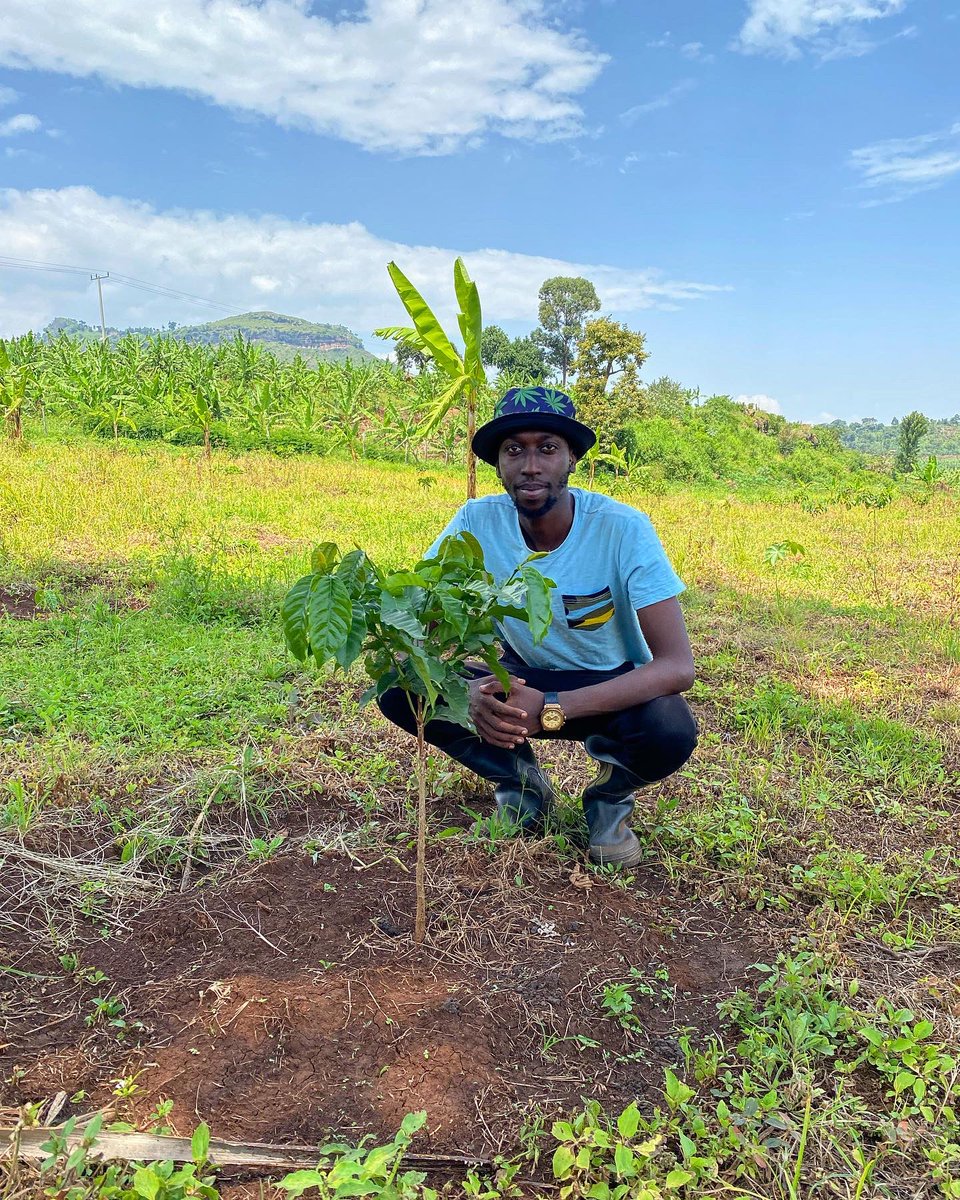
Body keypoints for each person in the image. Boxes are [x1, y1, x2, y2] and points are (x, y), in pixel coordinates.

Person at [378, 386, 697, 868]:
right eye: (514, 450)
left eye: (547, 448)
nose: (530, 465)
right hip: (516, 683)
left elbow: (677, 667)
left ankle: (609, 801)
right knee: (400, 687)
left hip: (608, 688)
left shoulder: (622, 528)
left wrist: (553, 706)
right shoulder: (475, 521)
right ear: (498, 464)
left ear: (572, 458)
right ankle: (520, 783)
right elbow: (413, 628)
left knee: (669, 728)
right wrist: (473, 696)